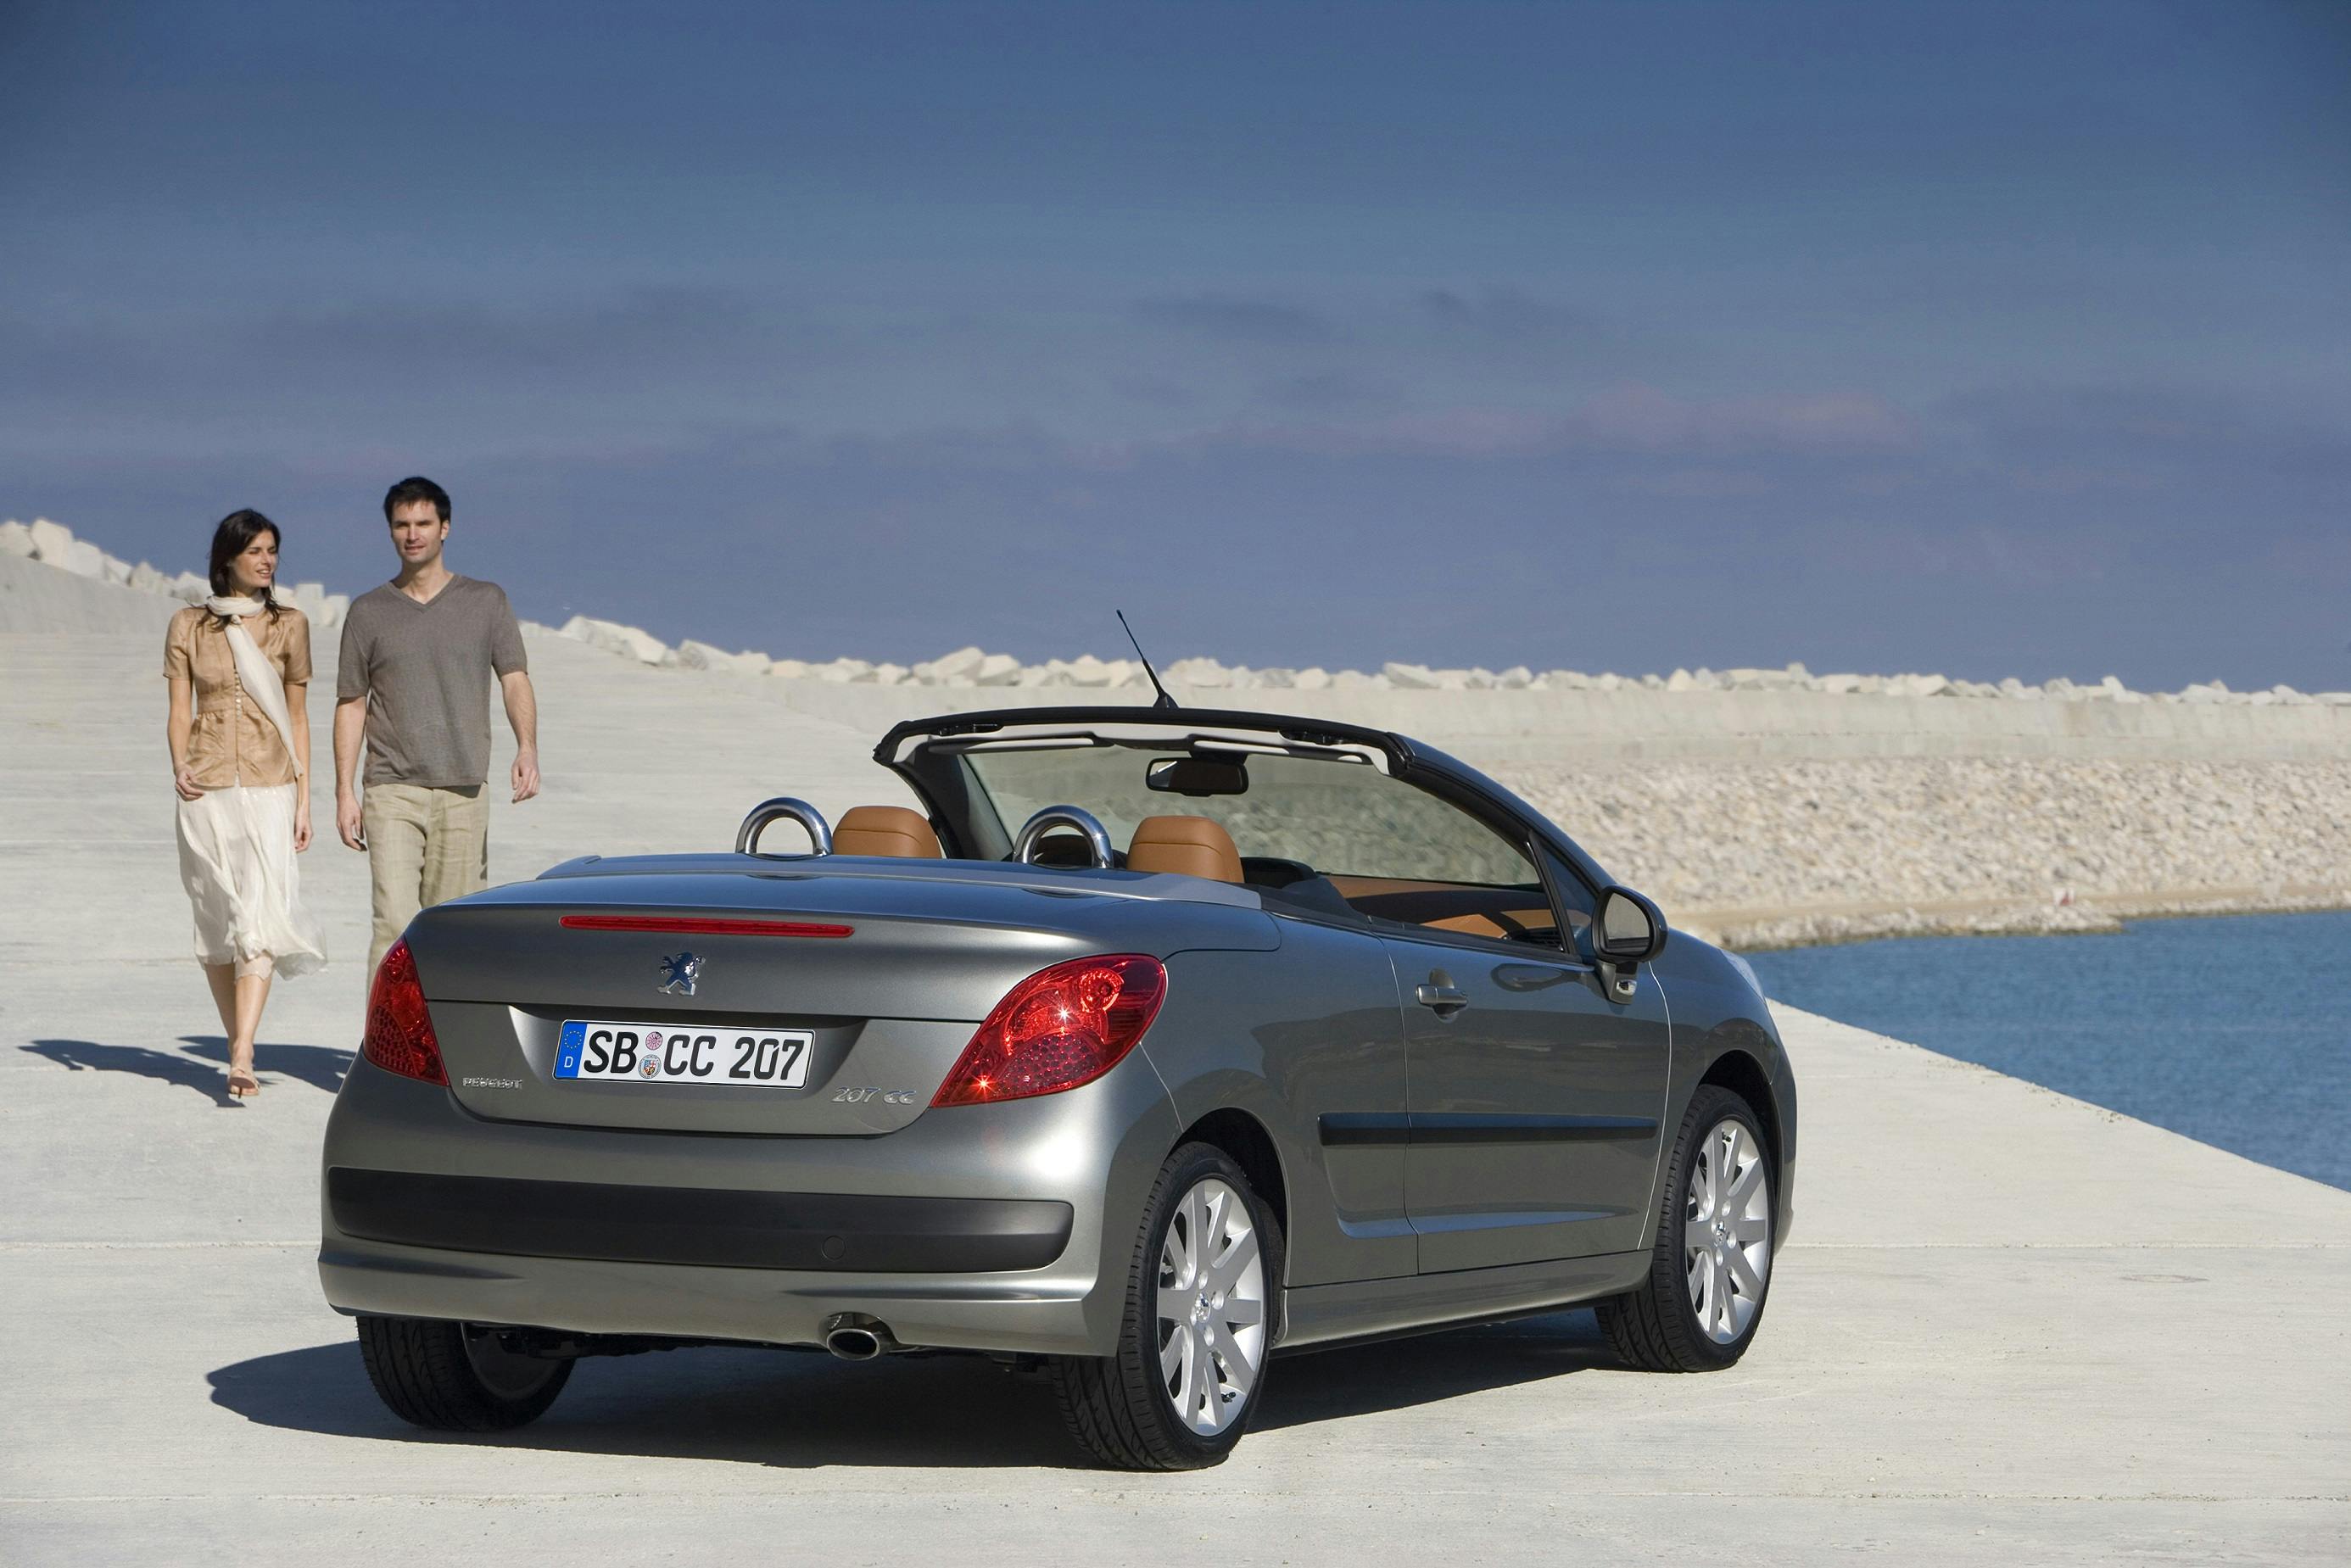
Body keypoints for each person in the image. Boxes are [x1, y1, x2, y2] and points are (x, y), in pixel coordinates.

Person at [334, 477, 541, 977]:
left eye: (423, 523)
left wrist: (527, 748)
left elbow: (514, 678)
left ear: (444, 528)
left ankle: (445, 1055)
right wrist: (344, 792)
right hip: (391, 789)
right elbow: (351, 703)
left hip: (464, 790)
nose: (412, 534)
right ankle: (386, 1052)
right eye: (402, 525)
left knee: (452, 933)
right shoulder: (368, 612)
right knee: (393, 928)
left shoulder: (486, 601)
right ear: (390, 532)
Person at [165, 510, 328, 1100]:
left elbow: (300, 717)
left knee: (260, 919)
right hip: (205, 787)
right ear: (227, 557)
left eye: (272, 550)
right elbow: (180, 708)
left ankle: (242, 1052)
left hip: (270, 786)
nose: (267, 560)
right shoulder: (188, 625)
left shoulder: (290, 625)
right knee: (216, 921)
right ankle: (239, 1039)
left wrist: (305, 799)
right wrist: (179, 761)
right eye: (255, 550)